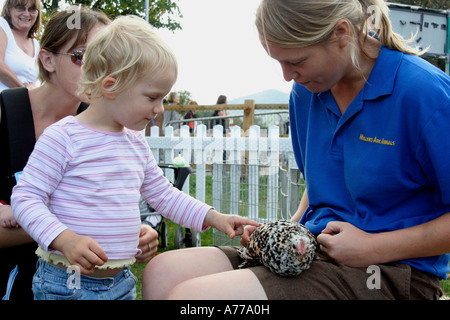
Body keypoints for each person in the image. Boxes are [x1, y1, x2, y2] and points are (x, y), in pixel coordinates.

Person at [141, 0, 450, 300]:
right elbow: (323, 180)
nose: (288, 75)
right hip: (313, 249)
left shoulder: (423, 92)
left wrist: (373, 247)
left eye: (297, 61)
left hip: (388, 270)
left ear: (342, 33)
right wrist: (288, 229)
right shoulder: (306, 93)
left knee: (194, 298)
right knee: (163, 272)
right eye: (279, 62)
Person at [11, 15, 258, 300]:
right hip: (65, 283)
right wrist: (63, 238)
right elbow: (25, 197)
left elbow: (164, 195)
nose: (160, 109)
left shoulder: (134, 142)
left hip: (121, 281)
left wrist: (214, 217)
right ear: (111, 86)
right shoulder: (63, 138)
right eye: (153, 97)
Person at [1, 6, 156, 301]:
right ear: (47, 59)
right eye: (83, 56)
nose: (100, 69)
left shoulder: (108, 128)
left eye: (111, 59)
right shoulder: (6, 114)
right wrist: (90, 226)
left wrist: (131, 231)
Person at [0, 0, 41, 92]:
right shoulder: (2, 26)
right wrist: (23, 90)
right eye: (20, 8)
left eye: (32, 9)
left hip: (22, 102)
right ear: (8, 10)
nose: (26, 14)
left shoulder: (36, 44)